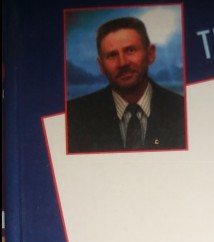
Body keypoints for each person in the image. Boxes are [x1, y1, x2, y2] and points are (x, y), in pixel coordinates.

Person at [67, 16, 186, 153]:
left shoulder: (182, 110)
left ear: (150, 54)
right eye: (112, 55)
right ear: (101, 66)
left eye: (130, 50)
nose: (122, 63)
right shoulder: (73, 117)